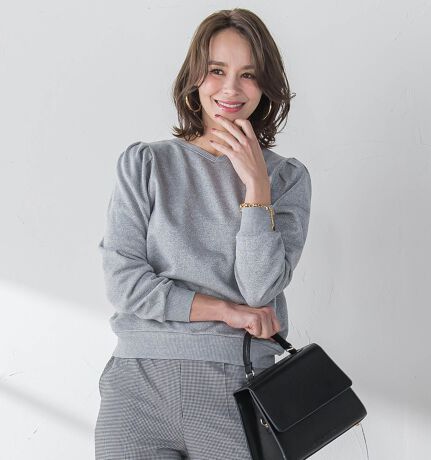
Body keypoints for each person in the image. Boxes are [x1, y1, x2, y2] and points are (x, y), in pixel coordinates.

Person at [94, 7, 312, 460]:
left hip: (238, 387)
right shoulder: (146, 164)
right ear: (194, 78)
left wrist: (256, 187)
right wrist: (226, 311)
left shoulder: (285, 178)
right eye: (216, 70)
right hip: (137, 386)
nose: (230, 89)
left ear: (265, 86)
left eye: (248, 74)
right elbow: (123, 283)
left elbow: (260, 289)